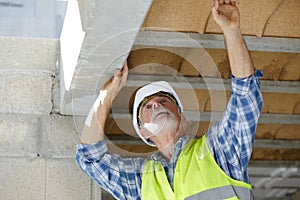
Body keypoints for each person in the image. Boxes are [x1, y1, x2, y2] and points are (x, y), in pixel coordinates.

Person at [76, 0, 263, 199]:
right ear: (143, 132)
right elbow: (89, 159)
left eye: (164, 101)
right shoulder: (141, 181)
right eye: (147, 107)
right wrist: (105, 98)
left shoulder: (216, 152)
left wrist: (231, 30)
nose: (156, 104)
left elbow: (245, 96)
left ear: (183, 117)